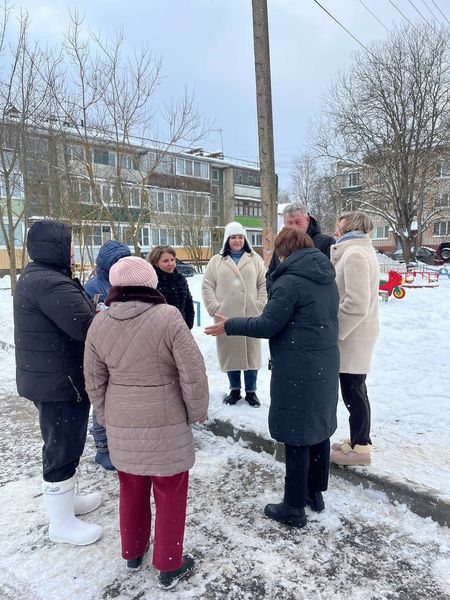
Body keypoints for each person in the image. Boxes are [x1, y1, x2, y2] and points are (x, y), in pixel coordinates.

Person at [83, 256, 208, 590]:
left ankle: (133, 552)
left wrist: (106, 414)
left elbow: (93, 379)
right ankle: (169, 564)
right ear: (151, 283)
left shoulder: (100, 322)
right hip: (165, 419)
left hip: (122, 419)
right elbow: (192, 372)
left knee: (131, 487)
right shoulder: (168, 317)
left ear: (116, 287)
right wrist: (197, 410)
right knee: (170, 490)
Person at [205, 227, 339, 527]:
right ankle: (313, 495)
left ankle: (293, 507)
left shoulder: (290, 281)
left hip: (298, 367)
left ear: (284, 251)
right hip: (323, 364)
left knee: (296, 434)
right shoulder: (325, 277)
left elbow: (268, 324)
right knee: (318, 430)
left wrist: (231, 325)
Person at [13, 220, 102, 546]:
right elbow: (86, 328)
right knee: (61, 446)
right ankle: (61, 523)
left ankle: (68, 499)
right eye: (70, 245)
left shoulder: (40, 277)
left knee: (67, 441)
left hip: (52, 377)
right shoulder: (50, 284)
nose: (74, 251)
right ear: (57, 248)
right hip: (60, 381)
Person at [329, 211, 380, 466]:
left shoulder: (355, 254)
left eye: (340, 225)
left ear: (350, 226)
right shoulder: (356, 251)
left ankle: (361, 448)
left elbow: (357, 303)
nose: (336, 230)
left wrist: (335, 332)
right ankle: (359, 440)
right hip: (356, 333)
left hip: (352, 336)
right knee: (356, 389)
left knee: (354, 391)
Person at [201, 222, 267, 407]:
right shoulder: (216, 261)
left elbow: (263, 283)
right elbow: (207, 285)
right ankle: (235, 390)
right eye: (233, 237)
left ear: (244, 239)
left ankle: (252, 392)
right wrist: (215, 307)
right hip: (225, 316)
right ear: (227, 240)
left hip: (251, 315)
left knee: (251, 353)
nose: (237, 241)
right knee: (231, 352)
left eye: (240, 237)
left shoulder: (255, 259)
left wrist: (260, 304)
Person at [84, 239, 131, 471]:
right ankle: (103, 449)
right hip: (102, 354)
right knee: (101, 402)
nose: (122, 266)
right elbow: (85, 321)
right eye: (117, 262)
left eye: (125, 260)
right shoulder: (93, 288)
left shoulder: (130, 285)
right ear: (106, 265)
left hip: (128, 353)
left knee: (123, 403)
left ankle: (123, 443)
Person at [267, 203, 335, 277]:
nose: (294, 227)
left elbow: (329, 275)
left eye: (298, 222)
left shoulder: (326, 243)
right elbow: (270, 275)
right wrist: (277, 287)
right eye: (289, 223)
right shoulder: (281, 245)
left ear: (307, 220)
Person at [147, 245, 195, 329]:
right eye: (165, 261)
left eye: (172, 260)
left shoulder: (180, 279)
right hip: (159, 330)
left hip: (181, 328)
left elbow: (188, 303)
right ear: (156, 263)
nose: (170, 264)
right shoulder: (151, 281)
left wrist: (188, 325)